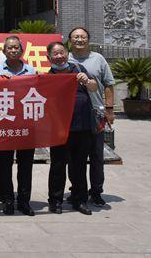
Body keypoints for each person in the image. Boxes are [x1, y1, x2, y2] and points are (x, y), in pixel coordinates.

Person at [46, 41, 98, 215]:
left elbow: (94, 87)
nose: (59, 56)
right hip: (59, 128)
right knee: (58, 166)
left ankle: (80, 200)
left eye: (62, 52)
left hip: (82, 125)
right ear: (48, 57)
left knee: (79, 165)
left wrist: (87, 81)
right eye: (55, 54)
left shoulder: (79, 69)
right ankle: (55, 201)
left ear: (67, 53)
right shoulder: (48, 77)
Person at [0, 35, 37, 216]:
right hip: (3, 123)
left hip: (25, 124)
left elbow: (36, 93)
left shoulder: (30, 70)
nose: (13, 50)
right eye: (9, 47)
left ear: (22, 50)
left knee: (26, 164)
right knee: (3, 163)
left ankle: (24, 201)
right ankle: (7, 200)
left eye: (16, 47)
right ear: (4, 51)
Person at [68, 27, 115, 207]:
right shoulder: (65, 59)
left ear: (88, 39)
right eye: (76, 37)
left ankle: (96, 191)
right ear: (70, 40)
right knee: (74, 157)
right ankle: (76, 190)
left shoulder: (98, 59)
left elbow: (109, 84)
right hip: (73, 116)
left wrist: (109, 109)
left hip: (96, 113)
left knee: (96, 155)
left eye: (83, 37)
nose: (79, 40)